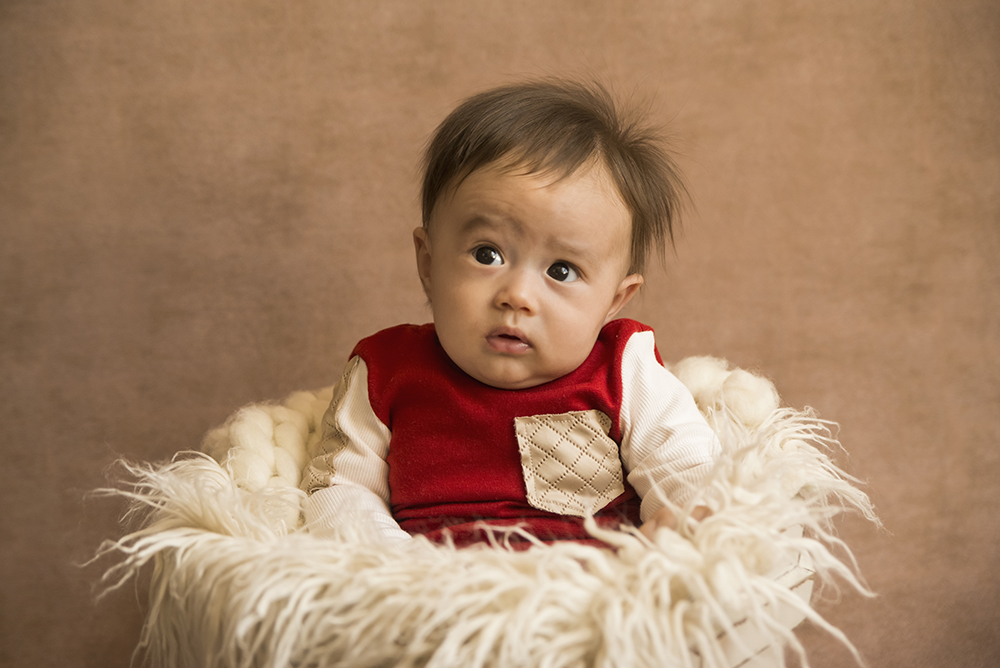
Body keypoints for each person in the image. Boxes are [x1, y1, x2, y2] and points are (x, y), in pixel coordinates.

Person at [299, 80, 720, 548]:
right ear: (428, 263)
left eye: (562, 270)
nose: (517, 295)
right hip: (434, 592)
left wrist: (680, 523)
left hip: (593, 594)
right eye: (486, 254)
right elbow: (340, 491)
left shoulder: (623, 368)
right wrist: (400, 570)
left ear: (614, 300)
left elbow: (684, 463)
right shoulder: (385, 370)